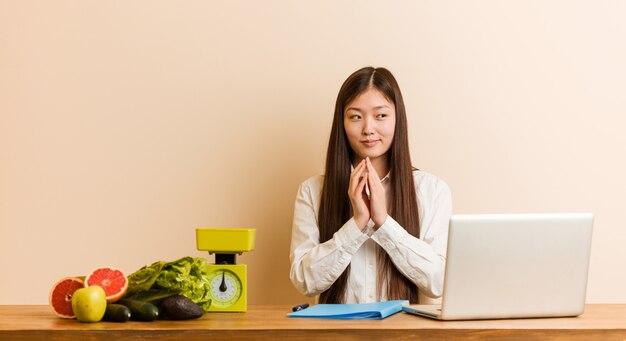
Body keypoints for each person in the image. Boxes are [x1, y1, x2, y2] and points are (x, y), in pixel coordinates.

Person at [289, 66, 453, 304]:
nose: (368, 128)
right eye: (356, 116)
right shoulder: (313, 191)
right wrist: (356, 225)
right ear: (342, 123)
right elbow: (304, 281)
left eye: (381, 116)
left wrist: (383, 222)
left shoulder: (432, 190)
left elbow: (438, 282)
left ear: (398, 119)